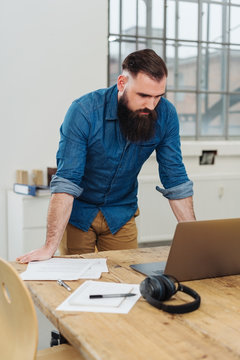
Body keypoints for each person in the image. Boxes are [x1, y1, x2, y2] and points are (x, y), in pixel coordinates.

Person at [17, 49, 195, 264]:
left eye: (158, 96)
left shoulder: (166, 115)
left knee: (128, 279)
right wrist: (48, 247)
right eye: (143, 95)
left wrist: (195, 243)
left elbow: (175, 178)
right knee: (75, 282)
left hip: (121, 214)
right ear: (122, 83)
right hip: (79, 214)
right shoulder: (84, 111)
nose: (151, 105)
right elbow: (67, 181)